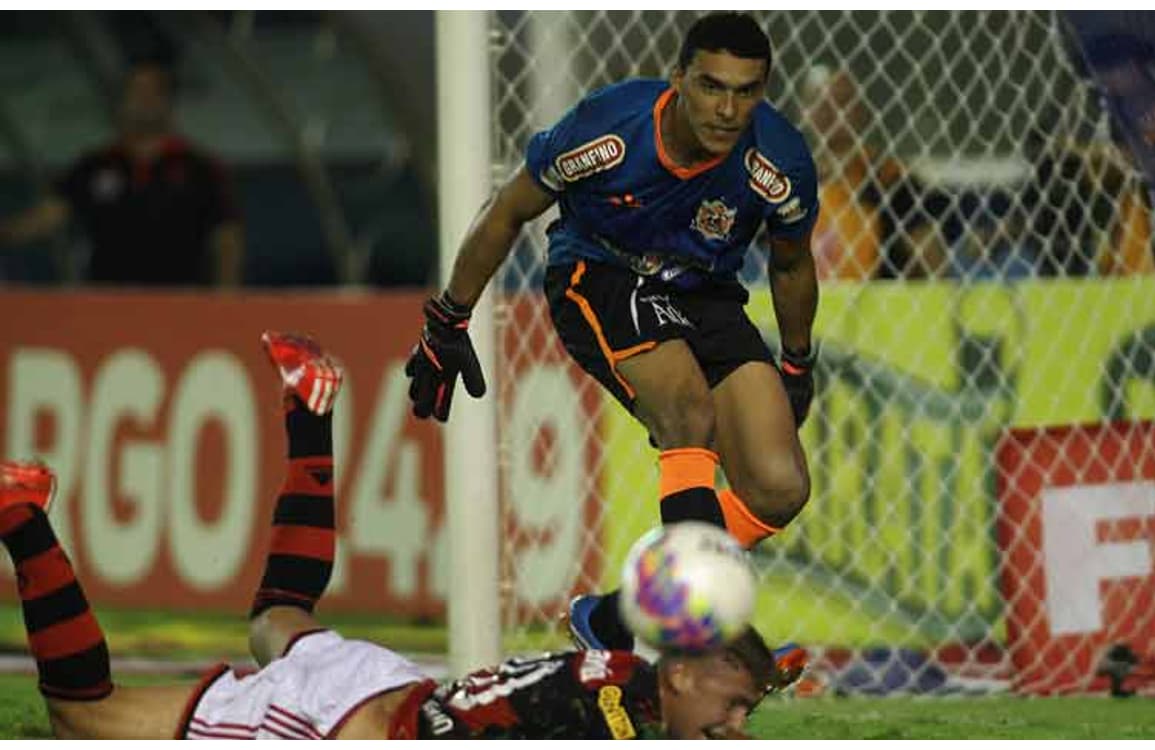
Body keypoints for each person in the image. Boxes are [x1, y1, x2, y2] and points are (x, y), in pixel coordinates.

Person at [0, 332, 792, 740]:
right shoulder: (612, 717)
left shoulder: (634, 680)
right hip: (331, 725)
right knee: (79, 721)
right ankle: (22, 518)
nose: (737, 732)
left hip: (385, 690)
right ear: (680, 679)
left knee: (276, 621)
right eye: (730, 712)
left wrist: (754, 672)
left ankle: (310, 417)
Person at [405, 12, 819, 653]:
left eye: (746, 91)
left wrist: (797, 362)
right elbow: (511, 209)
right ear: (678, 79)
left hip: (705, 292)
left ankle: (616, 619)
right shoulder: (611, 129)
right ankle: (695, 649)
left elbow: (792, 263)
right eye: (711, 86)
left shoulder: (779, 162)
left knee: (778, 486)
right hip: (599, 273)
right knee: (687, 413)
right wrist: (448, 318)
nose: (727, 109)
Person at [0, 59, 243, 287]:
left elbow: (226, 236)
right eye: (136, 93)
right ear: (122, 102)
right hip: (109, 299)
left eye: (152, 93)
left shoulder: (200, 168)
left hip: (180, 298)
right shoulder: (95, 165)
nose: (144, 102)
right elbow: (48, 216)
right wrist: (7, 233)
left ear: (168, 101)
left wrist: (225, 298)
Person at [798, 64, 947, 280]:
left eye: (842, 100)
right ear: (805, 111)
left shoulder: (890, 180)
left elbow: (933, 262)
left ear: (861, 109)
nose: (831, 110)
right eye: (820, 101)